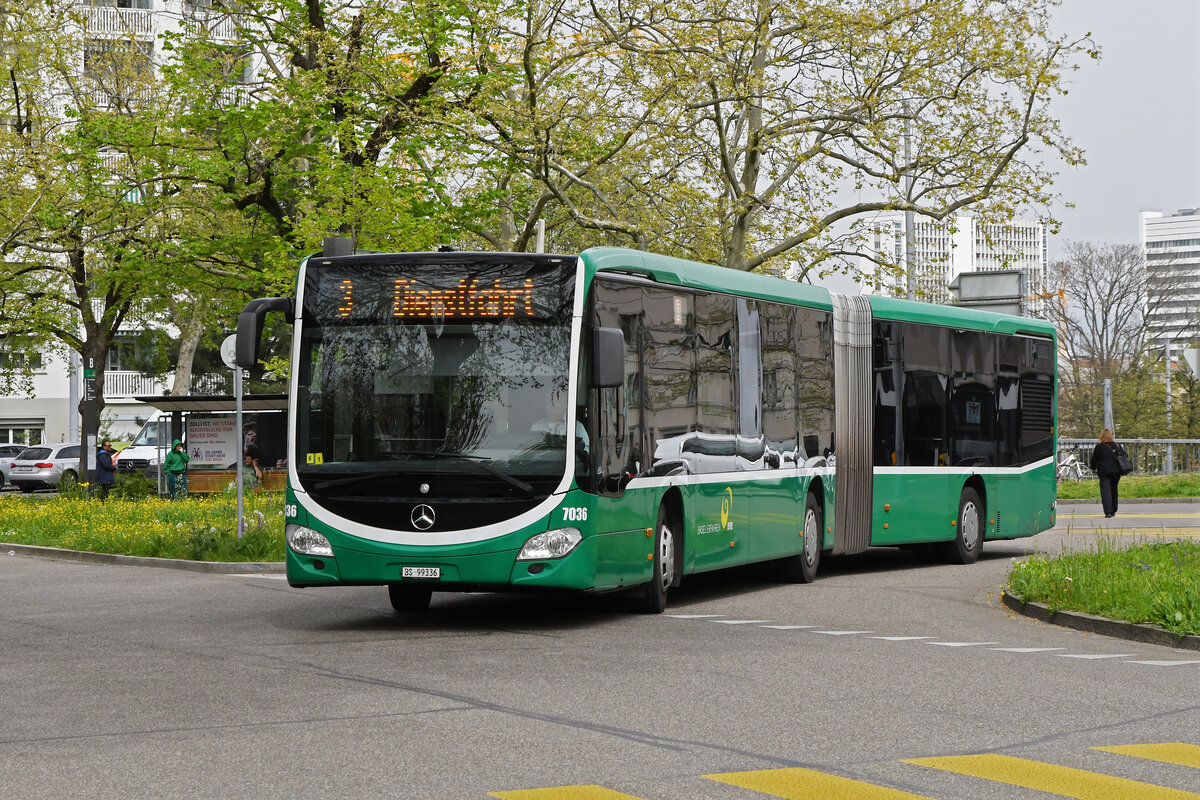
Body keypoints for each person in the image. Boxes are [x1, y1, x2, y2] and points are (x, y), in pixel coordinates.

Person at [1089, 428, 1124, 518]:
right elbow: (1124, 456)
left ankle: (1108, 512)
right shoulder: (1117, 445)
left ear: (1101, 436)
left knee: (1106, 491)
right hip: (1116, 471)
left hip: (1104, 472)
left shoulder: (1099, 447)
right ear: (1111, 436)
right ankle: (1113, 510)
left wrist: (1093, 468)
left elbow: (1094, 459)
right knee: (1114, 490)